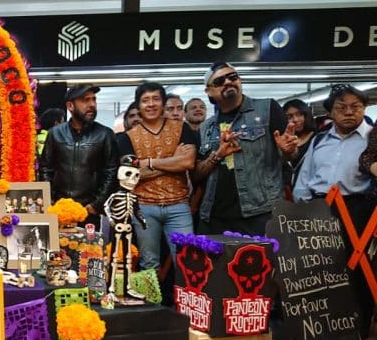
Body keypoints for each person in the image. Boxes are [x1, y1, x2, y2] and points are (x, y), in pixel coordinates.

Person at [292, 84, 373, 340]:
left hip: (356, 209)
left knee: (355, 273)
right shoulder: (319, 140)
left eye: (356, 106)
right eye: (342, 107)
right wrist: (301, 211)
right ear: (330, 112)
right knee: (317, 275)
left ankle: (356, 335)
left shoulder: (372, 139)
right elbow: (305, 177)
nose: (349, 112)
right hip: (318, 208)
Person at [192, 61, 296, 235]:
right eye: (219, 81)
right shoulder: (206, 128)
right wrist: (217, 155)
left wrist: (288, 151)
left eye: (232, 77)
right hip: (215, 216)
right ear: (209, 91)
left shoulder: (267, 109)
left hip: (260, 214)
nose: (227, 82)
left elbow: (292, 154)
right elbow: (196, 174)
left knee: (263, 262)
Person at [116, 82, 198, 273]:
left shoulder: (181, 128)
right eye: (145, 100)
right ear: (138, 105)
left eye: (155, 99)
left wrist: (149, 162)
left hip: (178, 206)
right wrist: (172, 161)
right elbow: (131, 176)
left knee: (187, 262)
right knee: (148, 262)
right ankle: (151, 303)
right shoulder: (127, 137)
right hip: (144, 207)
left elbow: (188, 163)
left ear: (163, 103)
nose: (151, 104)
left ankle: (185, 303)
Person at [39, 84, 119, 226]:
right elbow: (46, 169)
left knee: (89, 248)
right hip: (59, 209)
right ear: (70, 106)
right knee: (58, 248)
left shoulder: (105, 134)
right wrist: (50, 201)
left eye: (93, 100)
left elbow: (111, 172)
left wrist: (97, 204)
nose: (92, 105)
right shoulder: (55, 133)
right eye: (85, 100)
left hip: (89, 210)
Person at [281, 99, 317, 191]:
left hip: (310, 189)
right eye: (289, 116)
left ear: (306, 115)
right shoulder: (282, 140)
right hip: (287, 191)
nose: (295, 120)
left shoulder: (318, 138)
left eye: (299, 114)